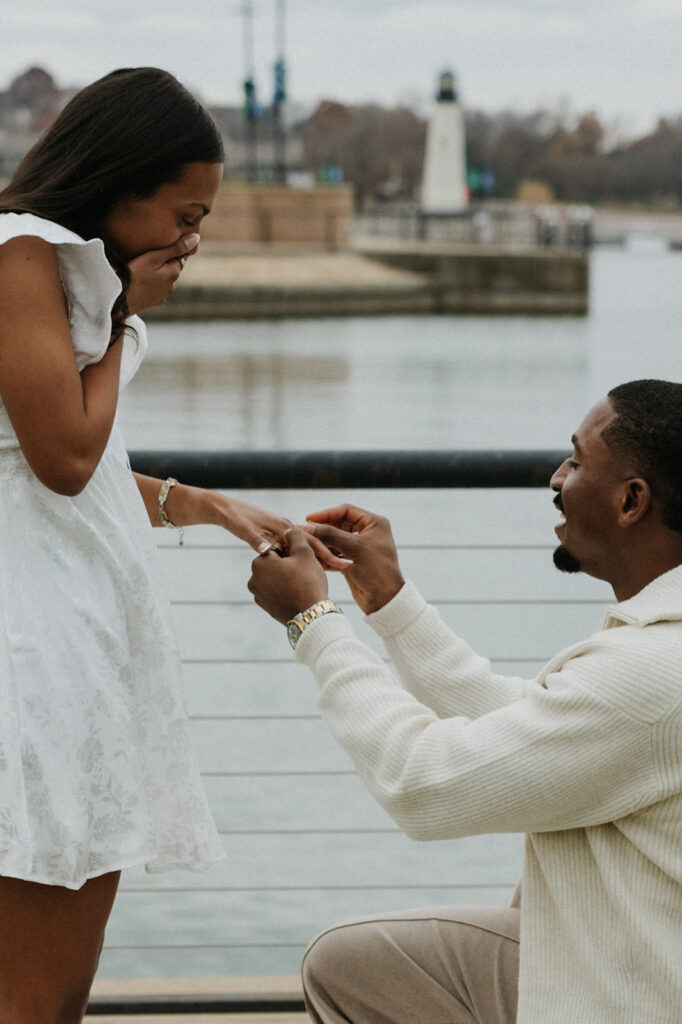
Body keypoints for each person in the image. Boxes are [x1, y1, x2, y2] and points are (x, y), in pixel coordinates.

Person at [0, 67, 344, 1024]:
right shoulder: (22, 254)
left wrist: (208, 507)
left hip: (81, 646)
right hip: (35, 652)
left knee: (59, 981)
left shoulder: (69, 267)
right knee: (35, 991)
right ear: (118, 183)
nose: (195, 238)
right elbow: (65, 457)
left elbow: (63, 469)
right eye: (185, 213)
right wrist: (124, 321)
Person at [248, 379, 682, 1024]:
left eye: (577, 460)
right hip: (638, 965)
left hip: (635, 995)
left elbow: (423, 784)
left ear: (631, 500)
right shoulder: (656, 652)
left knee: (345, 962)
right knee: (355, 962)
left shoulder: (651, 671)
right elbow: (526, 723)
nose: (557, 478)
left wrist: (313, 623)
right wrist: (389, 599)